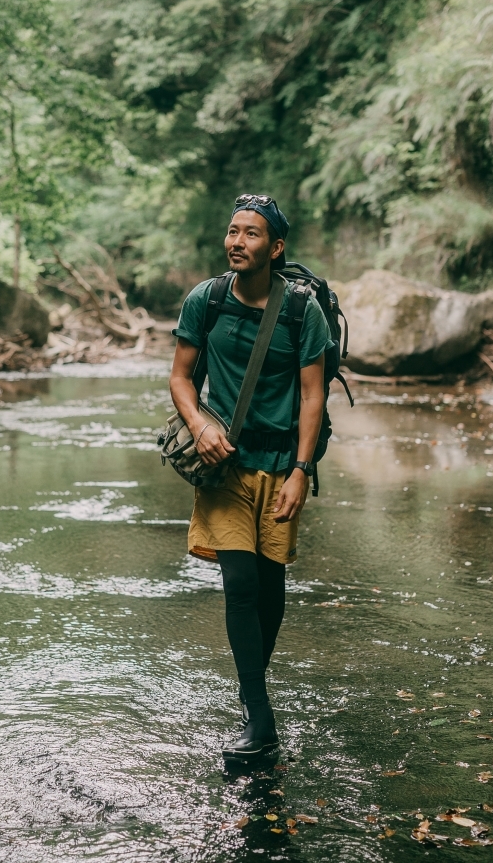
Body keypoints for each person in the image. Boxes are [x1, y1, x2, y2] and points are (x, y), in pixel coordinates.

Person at [168, 194, 331, 759]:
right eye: (233, 231)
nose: (237, 241)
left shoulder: (299, 310)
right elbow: (182, 377)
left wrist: (302, 471)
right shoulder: (205, 300)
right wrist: (197, 423)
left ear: (276, 247)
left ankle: (248, 690)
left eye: (252, 234)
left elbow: (314, 395)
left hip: (280, 465)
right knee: (239, 585)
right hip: (223, 466)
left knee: (270, 592)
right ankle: (259, 719)